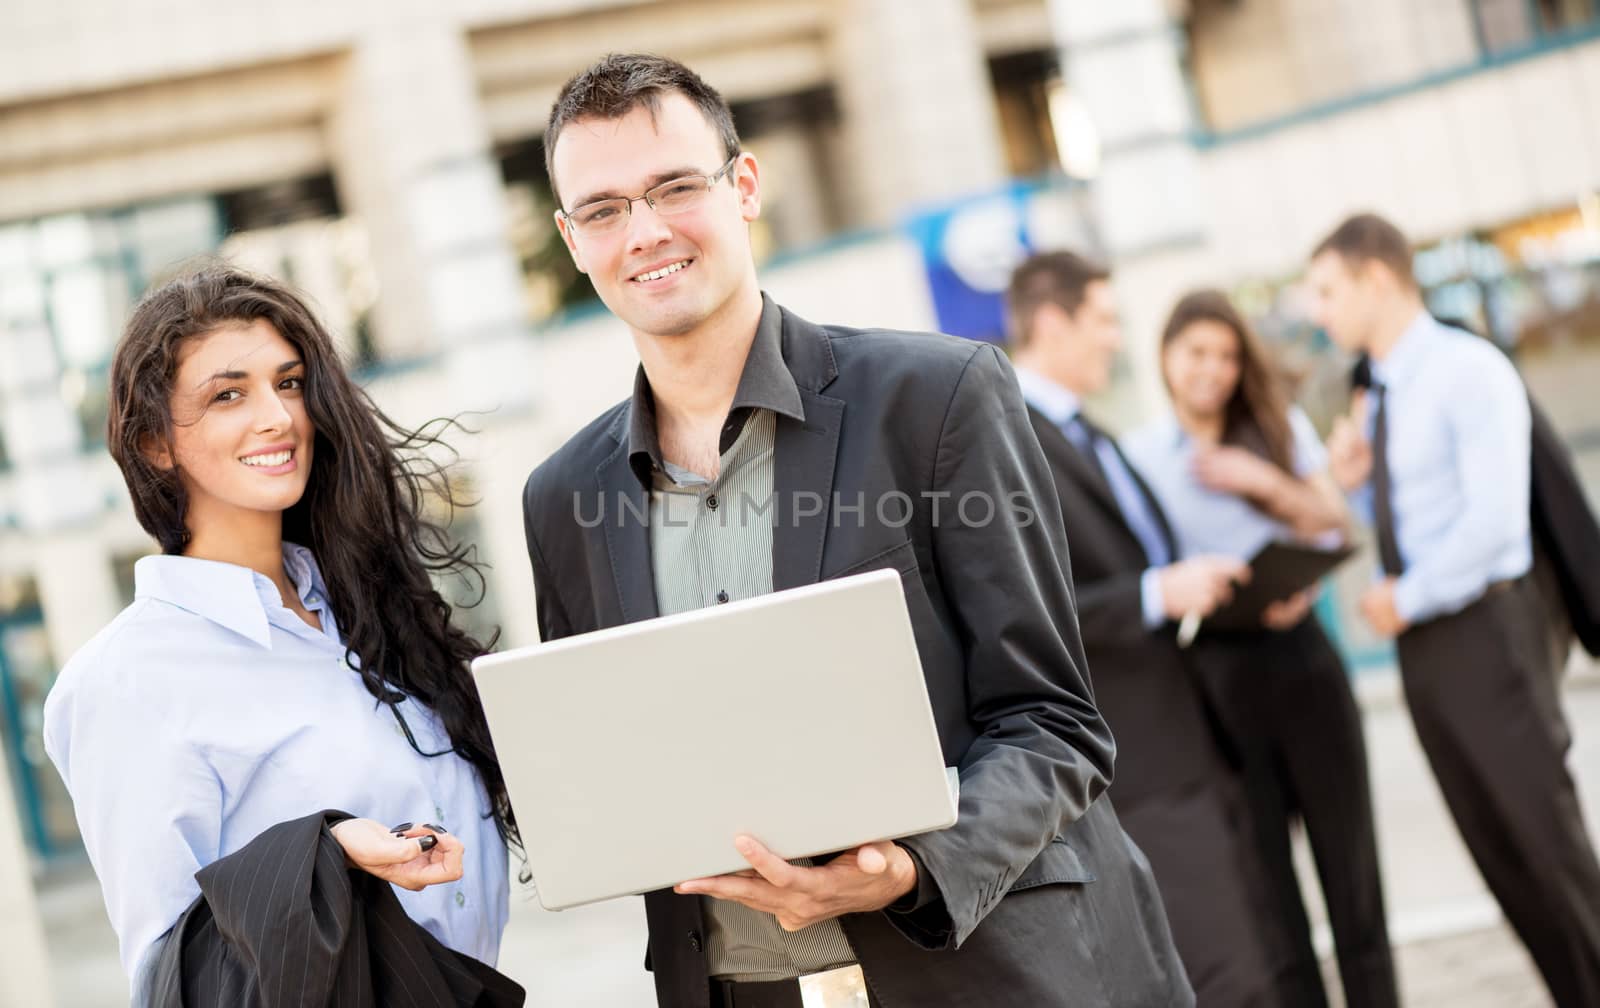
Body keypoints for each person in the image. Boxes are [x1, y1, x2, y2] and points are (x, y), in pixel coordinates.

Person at [520, 53, 1191, 1008]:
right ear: (572, 239)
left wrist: (914, 867)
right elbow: (609, 773)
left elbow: (1053, 723)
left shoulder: (936, 399)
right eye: (604, 208)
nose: (647, 231)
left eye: (675, 186)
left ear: (744, 185)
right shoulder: (560, 499)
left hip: (983, 970)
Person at [43, 265, 519, 1002]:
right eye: (227, 394)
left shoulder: (366, 617)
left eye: (289, 383)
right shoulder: (127, 680)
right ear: (153, 444)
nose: (277, 416)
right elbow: (174, 975)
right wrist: (326, 855)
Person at [1313, 212, 1600, 1006]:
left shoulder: (1465, 368)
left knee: (1550, 855)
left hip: (1486, 632)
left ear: (1379, 277)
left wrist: (1404, 595)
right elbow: (1424, 517)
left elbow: (1495, 527)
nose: (1320, 312)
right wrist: (1361, 479)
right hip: (1431, 649)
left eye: (1329, 290)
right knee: (1503, 862)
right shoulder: (1381, 391)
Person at [1005, 252, 1282, 1007]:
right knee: (1226, 975)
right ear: (1053, 321)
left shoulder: (1091, 433)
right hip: (1140, 758)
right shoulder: (1009, 440)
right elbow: (1032, 606)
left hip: (1191, 739)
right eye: (1104, 321)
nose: (1117, 340)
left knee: (1247, 955)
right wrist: (1161, 591)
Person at [1124, 289, 1398, 1008]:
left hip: (1302, 659)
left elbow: (1337, 527)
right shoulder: (1138, 458)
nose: (1212, 370)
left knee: (1352, 876)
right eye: (1197, 354)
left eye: (1226, 355)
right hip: (1218, 675)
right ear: (1165, 359)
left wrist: (1262, 482)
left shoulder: (1275, 431)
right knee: (1269, 896)